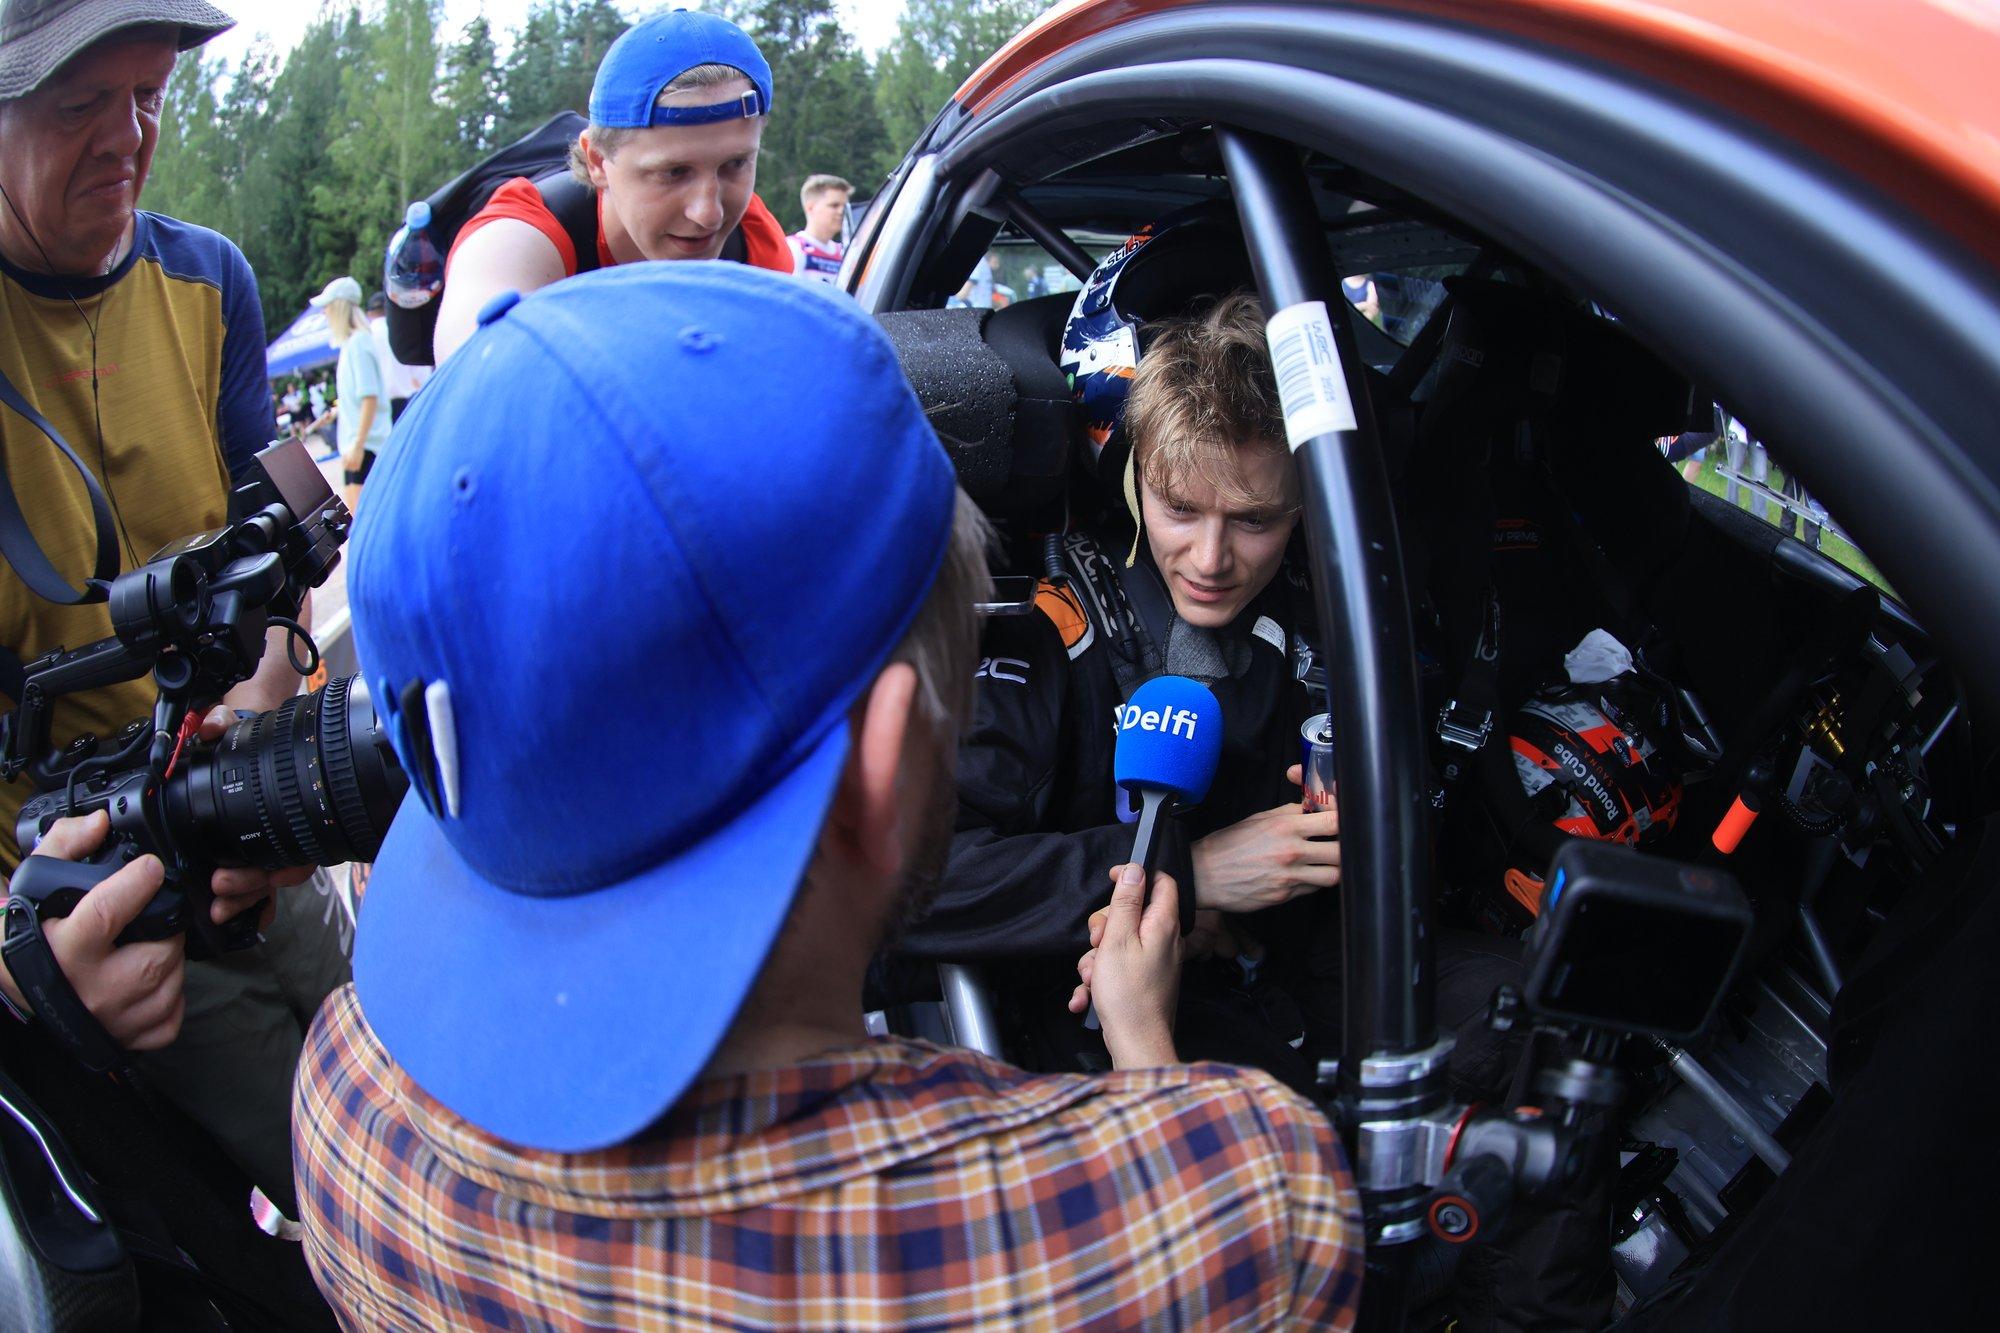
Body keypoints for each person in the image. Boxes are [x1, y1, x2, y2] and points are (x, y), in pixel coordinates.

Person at [292, 262, 1364, 1329]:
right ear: (888, 761)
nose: (1212, 552)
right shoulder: (1249, 1200)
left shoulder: (339, 1102)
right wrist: (1148, 1031)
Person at [908, 291, 1615, 1329]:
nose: (1208, 557)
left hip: (1290, 975)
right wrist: (1192, 870)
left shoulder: (1330, 631)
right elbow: (922, 880)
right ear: (1130, 479)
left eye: (1254, 520)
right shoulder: (1044, 641)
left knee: (1544, 1015)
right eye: (1179, 508)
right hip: (1095, 1019)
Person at [0, 0, 350, 1222]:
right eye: (75, 104)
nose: (127, 137)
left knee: (423, 1083)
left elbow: (275, 552)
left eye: (148, 95)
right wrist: (24, 965)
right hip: (76, 896)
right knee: (335, 1202)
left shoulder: (210, 278)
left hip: (236, 808)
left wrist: (257, 740)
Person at [432, 9, 791, 363]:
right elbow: (474, 371)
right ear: (598, 162)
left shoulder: (753, 246)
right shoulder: (522, 238)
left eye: (735, 165)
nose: (708, 214)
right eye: (673, 172)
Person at [310, 275, 389, 513]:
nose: (324, 313)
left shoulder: (358, 343)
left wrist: (358, 444)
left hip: (366, 446)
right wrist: (338, 412)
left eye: (327, 307)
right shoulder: (353, 343)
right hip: (361, 443)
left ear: (339, 307)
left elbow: (370, 397)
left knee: (364, 517)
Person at [365, 289, 428, 421]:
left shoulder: (365, 337)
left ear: (369, 314)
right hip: (409, 400)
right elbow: (421, 372)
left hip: (379, 405)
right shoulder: (401, 332)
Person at [786, 171, 849, 284]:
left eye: (844, 206)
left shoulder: (844, 252)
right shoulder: (794, 248)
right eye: (834, 205)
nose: (841, 212)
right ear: (810, 208)